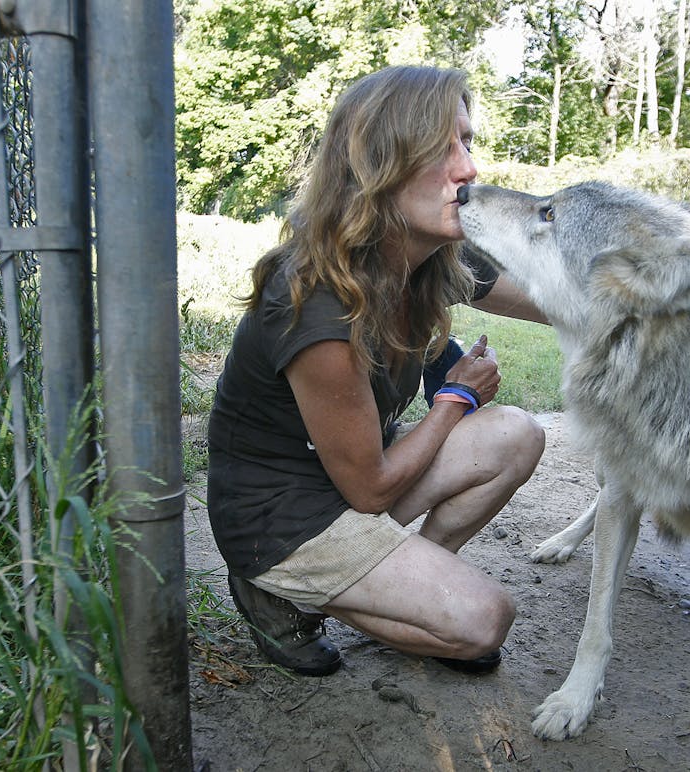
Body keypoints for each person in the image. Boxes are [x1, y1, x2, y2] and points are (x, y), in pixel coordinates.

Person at [206, 65, 548, 677]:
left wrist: (654, 295)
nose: (469, 168)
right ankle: (275, 591)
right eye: (442, 148)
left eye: (467, 143)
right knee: (483, 621)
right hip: (284, 516)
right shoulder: (312, 300)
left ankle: (401, 589)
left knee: (519, 432)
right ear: (380, 163)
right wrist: (455, 398)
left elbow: (548, 297)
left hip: (349, 488)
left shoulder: (432, 255)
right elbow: (372, 488)